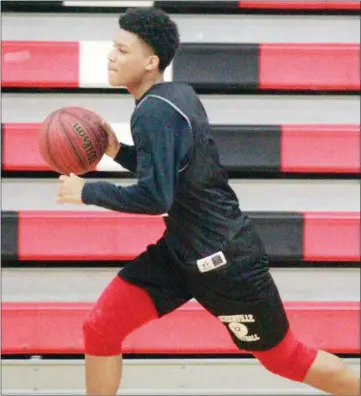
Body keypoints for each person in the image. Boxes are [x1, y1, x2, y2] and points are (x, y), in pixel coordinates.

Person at [57, 7, 360, 396]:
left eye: (122, 49)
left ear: (150, 62)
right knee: (100, 327)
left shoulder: (152, 113)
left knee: (285, 357)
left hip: (223, 259)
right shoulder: (174, 96)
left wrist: (86, 191)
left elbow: (155, 196)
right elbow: (173, 173)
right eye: (112, 47)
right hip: (182, 250)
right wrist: (116, 151)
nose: (111, 56)